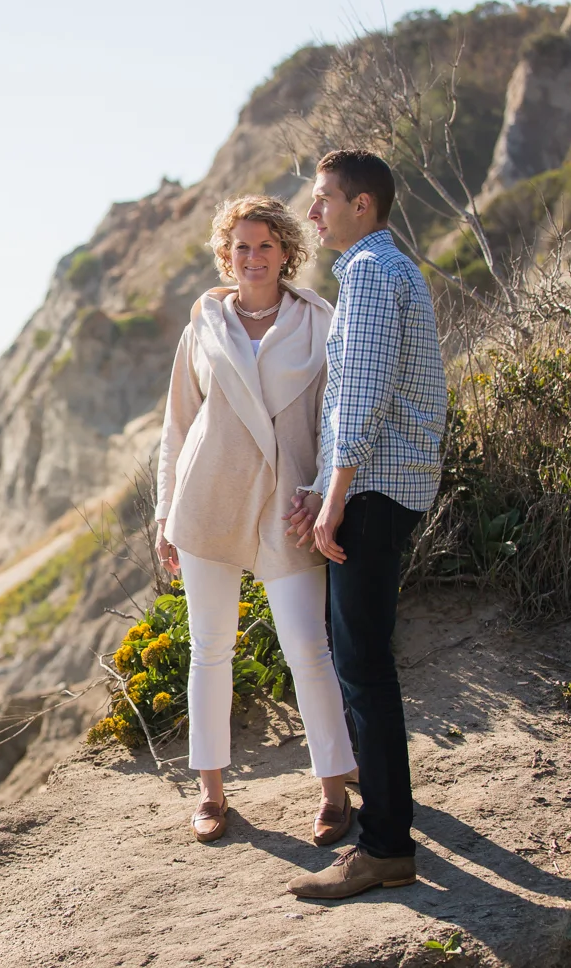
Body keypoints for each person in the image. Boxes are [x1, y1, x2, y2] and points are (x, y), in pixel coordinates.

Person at [155, 194, 357, 846]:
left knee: (307, 645)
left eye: (265, 245)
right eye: (241, 246)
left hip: (287, 503)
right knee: (209, 649)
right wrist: (165, 514)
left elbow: (335, 420)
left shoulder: (318, 324)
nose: (253, 257)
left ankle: (334, 788)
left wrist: (323, 491)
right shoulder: (203, 329)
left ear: (287, 251)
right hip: (209, 499)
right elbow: (176, 428)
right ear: (226, 254)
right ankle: (211, 793)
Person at [284, 150, 447, 899]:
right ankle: (387, 823)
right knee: (362, 661)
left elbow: (365, 398)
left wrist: (336, 496)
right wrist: (322, 488)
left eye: (323, 200)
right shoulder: (377, 273)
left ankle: (384, 846)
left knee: (362, 665)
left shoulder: (376, 278)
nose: (312, 213)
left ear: (362, 207)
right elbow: (354, 398)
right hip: (374, 488)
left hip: (375, 493)